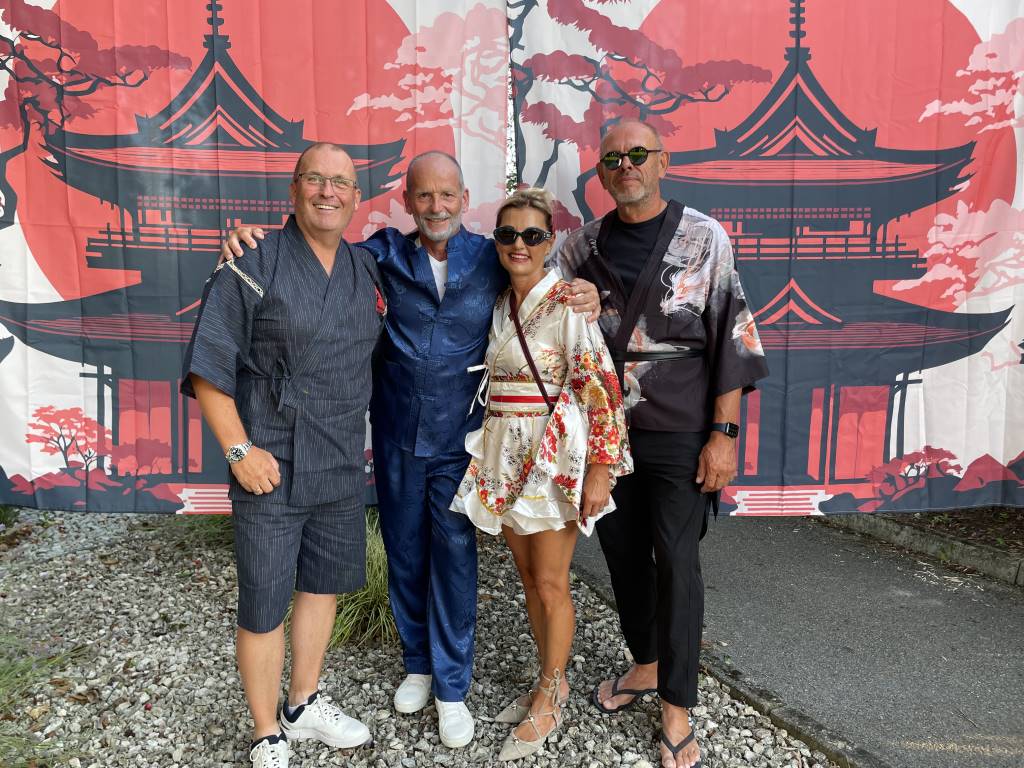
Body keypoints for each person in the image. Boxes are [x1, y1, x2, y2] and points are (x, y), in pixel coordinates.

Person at [219, 151, 600, 749]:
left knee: (454, 557)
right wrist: (246, 241)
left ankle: (452, 686)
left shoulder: (491, 255)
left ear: (464, 199)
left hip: (461, 439)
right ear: (407, 200)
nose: (436, 207)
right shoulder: (380, 256)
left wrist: (586, 293)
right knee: (403, 551)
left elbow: (537, 275)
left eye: (447, 195)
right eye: (424, 195)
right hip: (396, 432)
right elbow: (314, 250)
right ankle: (417, 664)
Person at [556, 121, 770, 768]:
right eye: (613, 158)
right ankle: (646, 661)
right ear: (601, 172)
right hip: (604, 432)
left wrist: (723, 435)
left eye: (637, 154)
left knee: (677, 562)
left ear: (662, 161)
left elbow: (731, 337)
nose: (626, 165)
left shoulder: (705, 237)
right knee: (621, 556)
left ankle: (677, 705)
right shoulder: (580, 245)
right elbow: (542, 309)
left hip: (680, 427)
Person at [182, 143, 383, 768]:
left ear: (356, 198)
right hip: (270, 461)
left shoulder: (366, 267)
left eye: (341, 183)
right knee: (265, 600)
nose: (328, 192)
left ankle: (303, 702)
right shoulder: (252, 259)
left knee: (322, 586)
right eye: (315, 179)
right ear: (294, 189)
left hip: (340, 457)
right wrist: (239, 451)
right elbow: (210, 366)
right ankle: (266, 729)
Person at [449, 187, 632, 762]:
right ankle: (549, 678)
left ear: (549, 241)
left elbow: (601, 387)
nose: (519, 245)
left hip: (550, 456)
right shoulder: (502, 303)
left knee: (552, 581)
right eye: (508, 235)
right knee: (528, 577)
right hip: (506, 450)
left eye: (532, 235)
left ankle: (551, 695)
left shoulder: (567, 304)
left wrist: (601, 469)